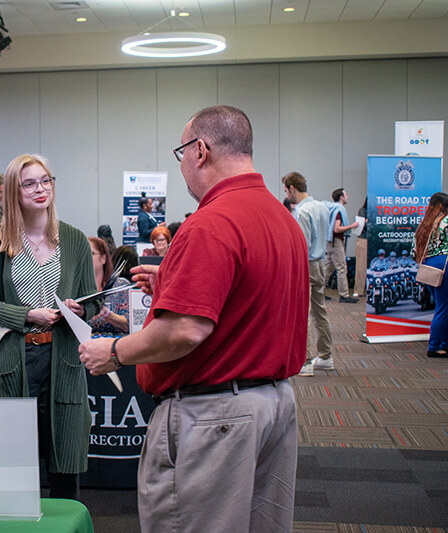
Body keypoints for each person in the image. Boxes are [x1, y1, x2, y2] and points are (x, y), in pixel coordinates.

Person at [79, 105, 308, 532]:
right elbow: (248, 297)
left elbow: (185, 329)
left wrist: (113, 352)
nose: (182, 165)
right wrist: (171, 282)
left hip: (214, 416)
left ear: (199, 150)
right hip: (274, 405)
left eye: (180, 152)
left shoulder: (211, 223)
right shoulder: (282, 219)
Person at [0, 154, 98, 500]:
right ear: (13, 191)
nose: (40, 189)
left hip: (64, 361)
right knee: (14, 469)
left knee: (65, 469)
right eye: (29, 183)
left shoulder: (73, 240)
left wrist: (79, 309)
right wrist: (28, 314)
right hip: (16, 359)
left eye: (46, 181)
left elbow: (93, 300)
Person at [283, 171, 334, 376]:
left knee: (302, 312)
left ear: (293, 189)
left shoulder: (302, 212)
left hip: (307, 264)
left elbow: (300, 245)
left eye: (286, 190)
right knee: (319, 310)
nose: (286, 195)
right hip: (320, 263)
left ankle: (305, 361)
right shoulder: (322, 206)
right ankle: (325, 355)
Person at [412, 192, 448, 358]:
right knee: (443, 308)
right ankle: (435, 347)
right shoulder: (446, 221)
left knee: (442, 307)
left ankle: (443, 344)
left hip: (428, 267)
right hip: (444, 266)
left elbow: (414, 252)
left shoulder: (425, 224)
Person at [88, 237, 129, 335]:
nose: (85, 258)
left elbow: (129, 324)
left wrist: (107, 314)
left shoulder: (120, 286)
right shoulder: (77, 288)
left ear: (103, 259)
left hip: (116, 345)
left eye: (91, 253)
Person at [325, 188, 360, 303]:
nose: (347, 196)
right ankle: (344, 295)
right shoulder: (339, 211)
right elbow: (337, 228)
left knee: (327, 268)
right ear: (341, 197)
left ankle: (318, 292)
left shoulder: (332, 209)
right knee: (341, 268)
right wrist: (352, 226)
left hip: (331, 242)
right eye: (346, 194)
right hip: (336, 242)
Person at [354, 197, 368, 297]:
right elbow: (362, 224)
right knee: (361, 266)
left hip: (371, 239)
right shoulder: (362, 210)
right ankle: (358, 290)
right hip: (364, 239)